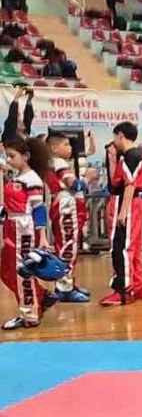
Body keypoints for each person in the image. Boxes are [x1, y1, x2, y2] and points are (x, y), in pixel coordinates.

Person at [1, 137, 54, 330]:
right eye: (7, 156)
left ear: (26, 156)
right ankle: (41, 295)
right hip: (11, 226)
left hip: (23, 229)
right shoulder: (17, 177)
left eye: (12, 156)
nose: (9, 160)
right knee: (6, 270)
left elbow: (39, 209)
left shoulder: (32, 180)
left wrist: (42, 237)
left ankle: (29, 314)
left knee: (22, 271)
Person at [101, 122, 142, 306]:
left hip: (127, 203)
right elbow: (116, 183)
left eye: (115, 137)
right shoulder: (129, 156)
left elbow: (130, 185)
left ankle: (123, 290)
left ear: (120, 135)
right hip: (130, 203)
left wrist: (122, 212)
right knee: (133, 247)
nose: (113, 141)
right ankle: (138, 284)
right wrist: (112, 158)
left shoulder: (131, 155)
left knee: (121, 247)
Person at [44, 132, 91, 303]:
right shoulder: (59, 163)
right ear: (54, 148)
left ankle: (68, 283)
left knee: (68, 245)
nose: (70, 148)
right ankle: (64, 287)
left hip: (64, 205)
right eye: (66, 144)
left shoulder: (55, 163)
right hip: (66, 207)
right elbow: (75, 185)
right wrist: (87, 178)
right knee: (67, 247)